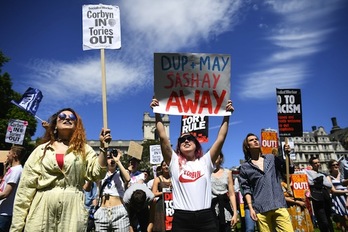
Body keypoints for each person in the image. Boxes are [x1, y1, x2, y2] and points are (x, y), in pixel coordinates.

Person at [10, 108, 112, 232]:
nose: (67, 118)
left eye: (72, 117)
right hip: (41, 208)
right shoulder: (41, 150)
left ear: (76, 126)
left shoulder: (84, 149)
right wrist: (17, 227)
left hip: (72, 210)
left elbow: (98, 174)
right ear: (55, 124)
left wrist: (103, 148)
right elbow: (25, 189)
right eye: (62, 116)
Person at [150, 98, 234, 232]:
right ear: (179, 146)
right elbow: (162, 137)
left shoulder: (206, 162)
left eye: (190, 139)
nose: (186, 140)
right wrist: (157, 112)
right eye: (182, 139)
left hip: (206, 217)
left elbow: (220, 138)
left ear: (197, 144)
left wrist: (226, 115)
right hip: (182, 219)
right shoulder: (174, 162)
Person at [239, 133, 294, 232]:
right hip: (261, 208)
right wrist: (251, 208)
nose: (255, 141)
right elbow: (246, 189)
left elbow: (289, 170)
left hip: (278, 204)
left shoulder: (271, 158)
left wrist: (288, 156)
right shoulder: (245, 167)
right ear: (247, 146)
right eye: (251, 140)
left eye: (256, 139)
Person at [94, 148, 131, 232]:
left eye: (112, 157)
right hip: (102, 211)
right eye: (108, 157)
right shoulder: (101, 174)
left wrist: (118, 161)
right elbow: (96, 173)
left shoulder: (121, 172)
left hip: (119, 211)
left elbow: (128, 179)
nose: (111, 159)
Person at [303, 156, 334, 232]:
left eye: (318, 162)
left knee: (328, 218)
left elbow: (329, 185)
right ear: (311, 165)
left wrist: (319, 181)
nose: (318, 164)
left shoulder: (322, 174)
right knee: (322, 220)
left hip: (325, 197)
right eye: (315, 163)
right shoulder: (307, 172)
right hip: (316, 197)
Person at [0, 146, 26, 231]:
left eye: (9, 153)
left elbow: (5, 193)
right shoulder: (12, 169)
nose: (7, 155)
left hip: (6, 213)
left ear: (14, 155)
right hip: (3, 211)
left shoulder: (17, 171)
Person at [211, 152, 238, 232]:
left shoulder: (227, 172)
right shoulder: (206, 172)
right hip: (211, 208)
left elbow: (232, 194)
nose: (215, 156)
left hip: (225, 208)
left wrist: (235, 213)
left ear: (221, 158)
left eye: (217, 154)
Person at [151, 160, 172, 232]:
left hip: (172, 204)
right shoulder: (157, 179)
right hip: (161, 205)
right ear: (161, 168)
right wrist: (164, 192)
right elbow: (153, 194)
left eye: (167, 165)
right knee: (161, 226)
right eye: (164, 165)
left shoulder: (174, 178)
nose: (166, 167)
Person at [328, 159, 348, 231]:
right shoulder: (329, 177)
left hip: (346, 197)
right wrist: (345, 191)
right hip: (338, 198)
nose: (336, 166)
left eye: (337, 164)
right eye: (333, 165)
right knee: (342, 221)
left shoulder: (344, 174)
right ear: (330, 167)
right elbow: (333, 190)